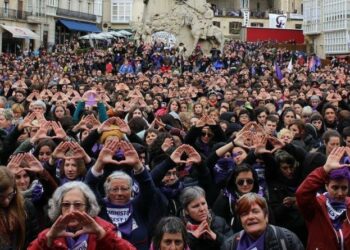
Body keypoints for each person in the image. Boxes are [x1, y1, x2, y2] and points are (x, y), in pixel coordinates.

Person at [28, 181, 135, 249]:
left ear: (88, 207)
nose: (71, 210)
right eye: (66, 205)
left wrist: (103, 235)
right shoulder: (50, 233)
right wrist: (48, 239)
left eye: (78, 205)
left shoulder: (104, 230)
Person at [296, 146, 350, 249]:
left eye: (344, 188)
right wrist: (324, 170)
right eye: (335, 187)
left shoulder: (349, 205)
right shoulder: (316, 206)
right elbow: (302, 193)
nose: (340, 193)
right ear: (326, 185)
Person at [221, 193, 304, 250]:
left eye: (255, 211)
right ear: (241, 221)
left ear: (266, 216)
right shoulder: (230, 246)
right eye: (244, 214)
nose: (250, 217)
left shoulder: (287, 239)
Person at [0, 167, 39, 249]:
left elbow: (34, 238)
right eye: (1, 197)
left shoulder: (26, 206)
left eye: (10, 195)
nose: (6, 201)